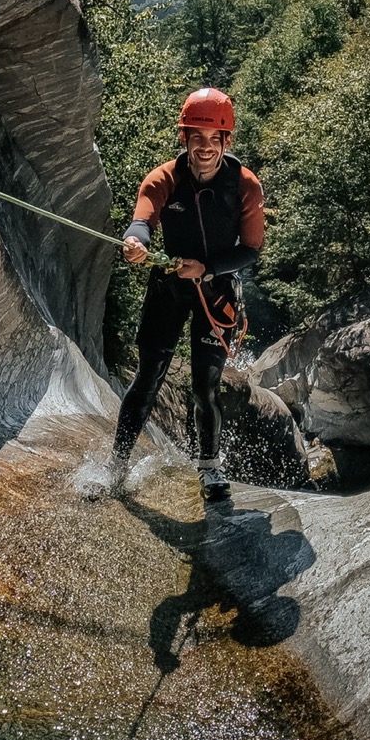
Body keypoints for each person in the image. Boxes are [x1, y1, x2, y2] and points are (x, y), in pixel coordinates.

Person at [109, 86, 264, 502]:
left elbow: (251, 249)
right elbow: (142, 220)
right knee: (148, 376)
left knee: (204, 386)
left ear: (227, 141)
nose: (205, 146)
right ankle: (116, 466)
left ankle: (210, 467)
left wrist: (207, 268)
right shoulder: (164, 178)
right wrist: (135, 242)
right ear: (185, 137)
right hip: (170, 289)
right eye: (197, 136)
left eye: (215, 138)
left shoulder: (244, 185)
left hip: (216, 293)